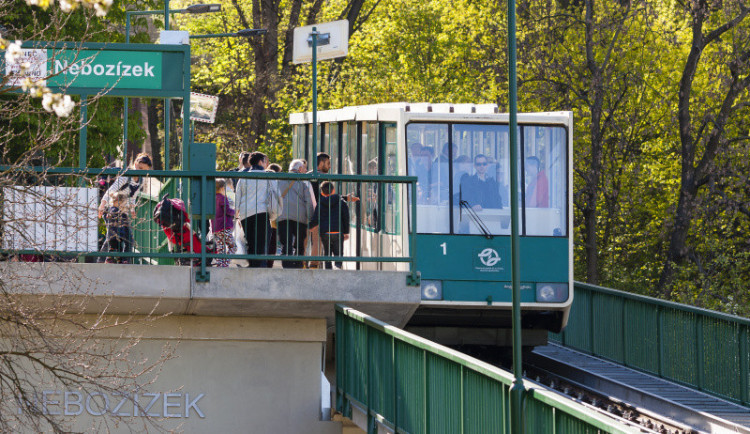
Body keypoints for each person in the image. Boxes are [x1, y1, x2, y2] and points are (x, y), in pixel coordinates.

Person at [97, 153, 153, 261]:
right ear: (135, 164)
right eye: (140, 168)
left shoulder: (141, 181)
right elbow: (111, 190)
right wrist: (102, 205)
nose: (141, 172)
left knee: (128, 239)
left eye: (144, 171)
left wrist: (132, 209)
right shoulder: (126, 177)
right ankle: (108, 257)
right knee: (113, 233)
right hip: (111, 208)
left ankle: (124, 259)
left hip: (123, 211)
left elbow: (133, 196)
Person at [235, 151, 279, 268]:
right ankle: (259, 267)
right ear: (261, 162)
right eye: (265, 161)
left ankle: (252, 265)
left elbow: (238, 196)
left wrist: (237, 214)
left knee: (249, 241)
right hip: (261, 212)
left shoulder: (243, 177)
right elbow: (276, 194)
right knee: (261, 242)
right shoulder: (268, 176)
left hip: (245, 213)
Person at [277, 159, 314, 268]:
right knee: (299, 244)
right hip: (300, 218)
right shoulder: (304, 182)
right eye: (304, 168)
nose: (306, 170)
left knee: (286, 243)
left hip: (283, 216)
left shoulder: (280, 180)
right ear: (299, 169)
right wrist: (310, 218)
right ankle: (298, 264)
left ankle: (287, 265)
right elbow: (308, 201)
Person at [309, 181, 350, 270]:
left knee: (327, 253)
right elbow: (345, 217)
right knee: (338, 253)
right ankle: (337, 267)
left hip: (325, 232)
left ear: (322, 192)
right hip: (338, 231)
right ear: (334, 190)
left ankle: (328, 270)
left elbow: (316, 218)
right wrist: (346, 232)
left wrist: (310, 226)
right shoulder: (341, 202)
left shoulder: (320, 203)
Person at [211, 179, 237, 267]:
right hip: (224, 226)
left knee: (220, 249)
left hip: (215, 228)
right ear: (222, 188)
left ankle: (220, 265)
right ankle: (225, 264)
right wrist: (235, 212)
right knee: (233, 247)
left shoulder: (213, 198)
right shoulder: (223, 198)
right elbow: (227, 211)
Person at [102, 191, 133, 264]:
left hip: (118, 234)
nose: (124, 205)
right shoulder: (113, 209)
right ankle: (109, 259)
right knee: (112, 247)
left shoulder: (119, 211)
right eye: (123, 203)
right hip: (113, 234)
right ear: (117, 202)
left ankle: (120, 260)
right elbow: (111, 214)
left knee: (119, 248)